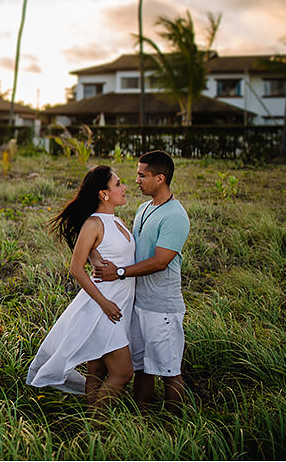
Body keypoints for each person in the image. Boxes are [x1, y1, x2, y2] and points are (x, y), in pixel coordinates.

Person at [26, 165, 135, 410]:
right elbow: (76, 268)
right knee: (123, 372)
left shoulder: (117, 221)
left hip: (120, 304)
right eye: (118, 184)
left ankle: (90, 429)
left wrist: (94, 254)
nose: (124, 188)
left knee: (96, 369)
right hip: (104, 306)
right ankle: (98, 425)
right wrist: (104, 303)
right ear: (103, 193)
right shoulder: (94, 224)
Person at [93, 150, 190, 412]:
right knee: (142, 367)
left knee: (170, 370)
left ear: (160, 178)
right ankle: (143, 418)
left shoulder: (175, 216)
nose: (136, 180)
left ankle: (174, 425)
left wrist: (120, 272)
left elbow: (161, 261)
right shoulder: (144, 208)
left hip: (162, 306)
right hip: (137, 304)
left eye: (141, 175)